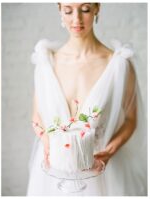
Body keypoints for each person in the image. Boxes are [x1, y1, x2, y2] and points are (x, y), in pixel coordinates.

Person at [27, 3, 146, 196]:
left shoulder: (118, 64)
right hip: (53, 173)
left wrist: (108, 152)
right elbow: (36, 117)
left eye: (85, 9)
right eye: (68, 10)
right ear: (59, 10)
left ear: (97, 8)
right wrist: (47, 142)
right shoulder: (45, 63)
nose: (76, 19)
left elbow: (132, 120)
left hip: (104, 171)